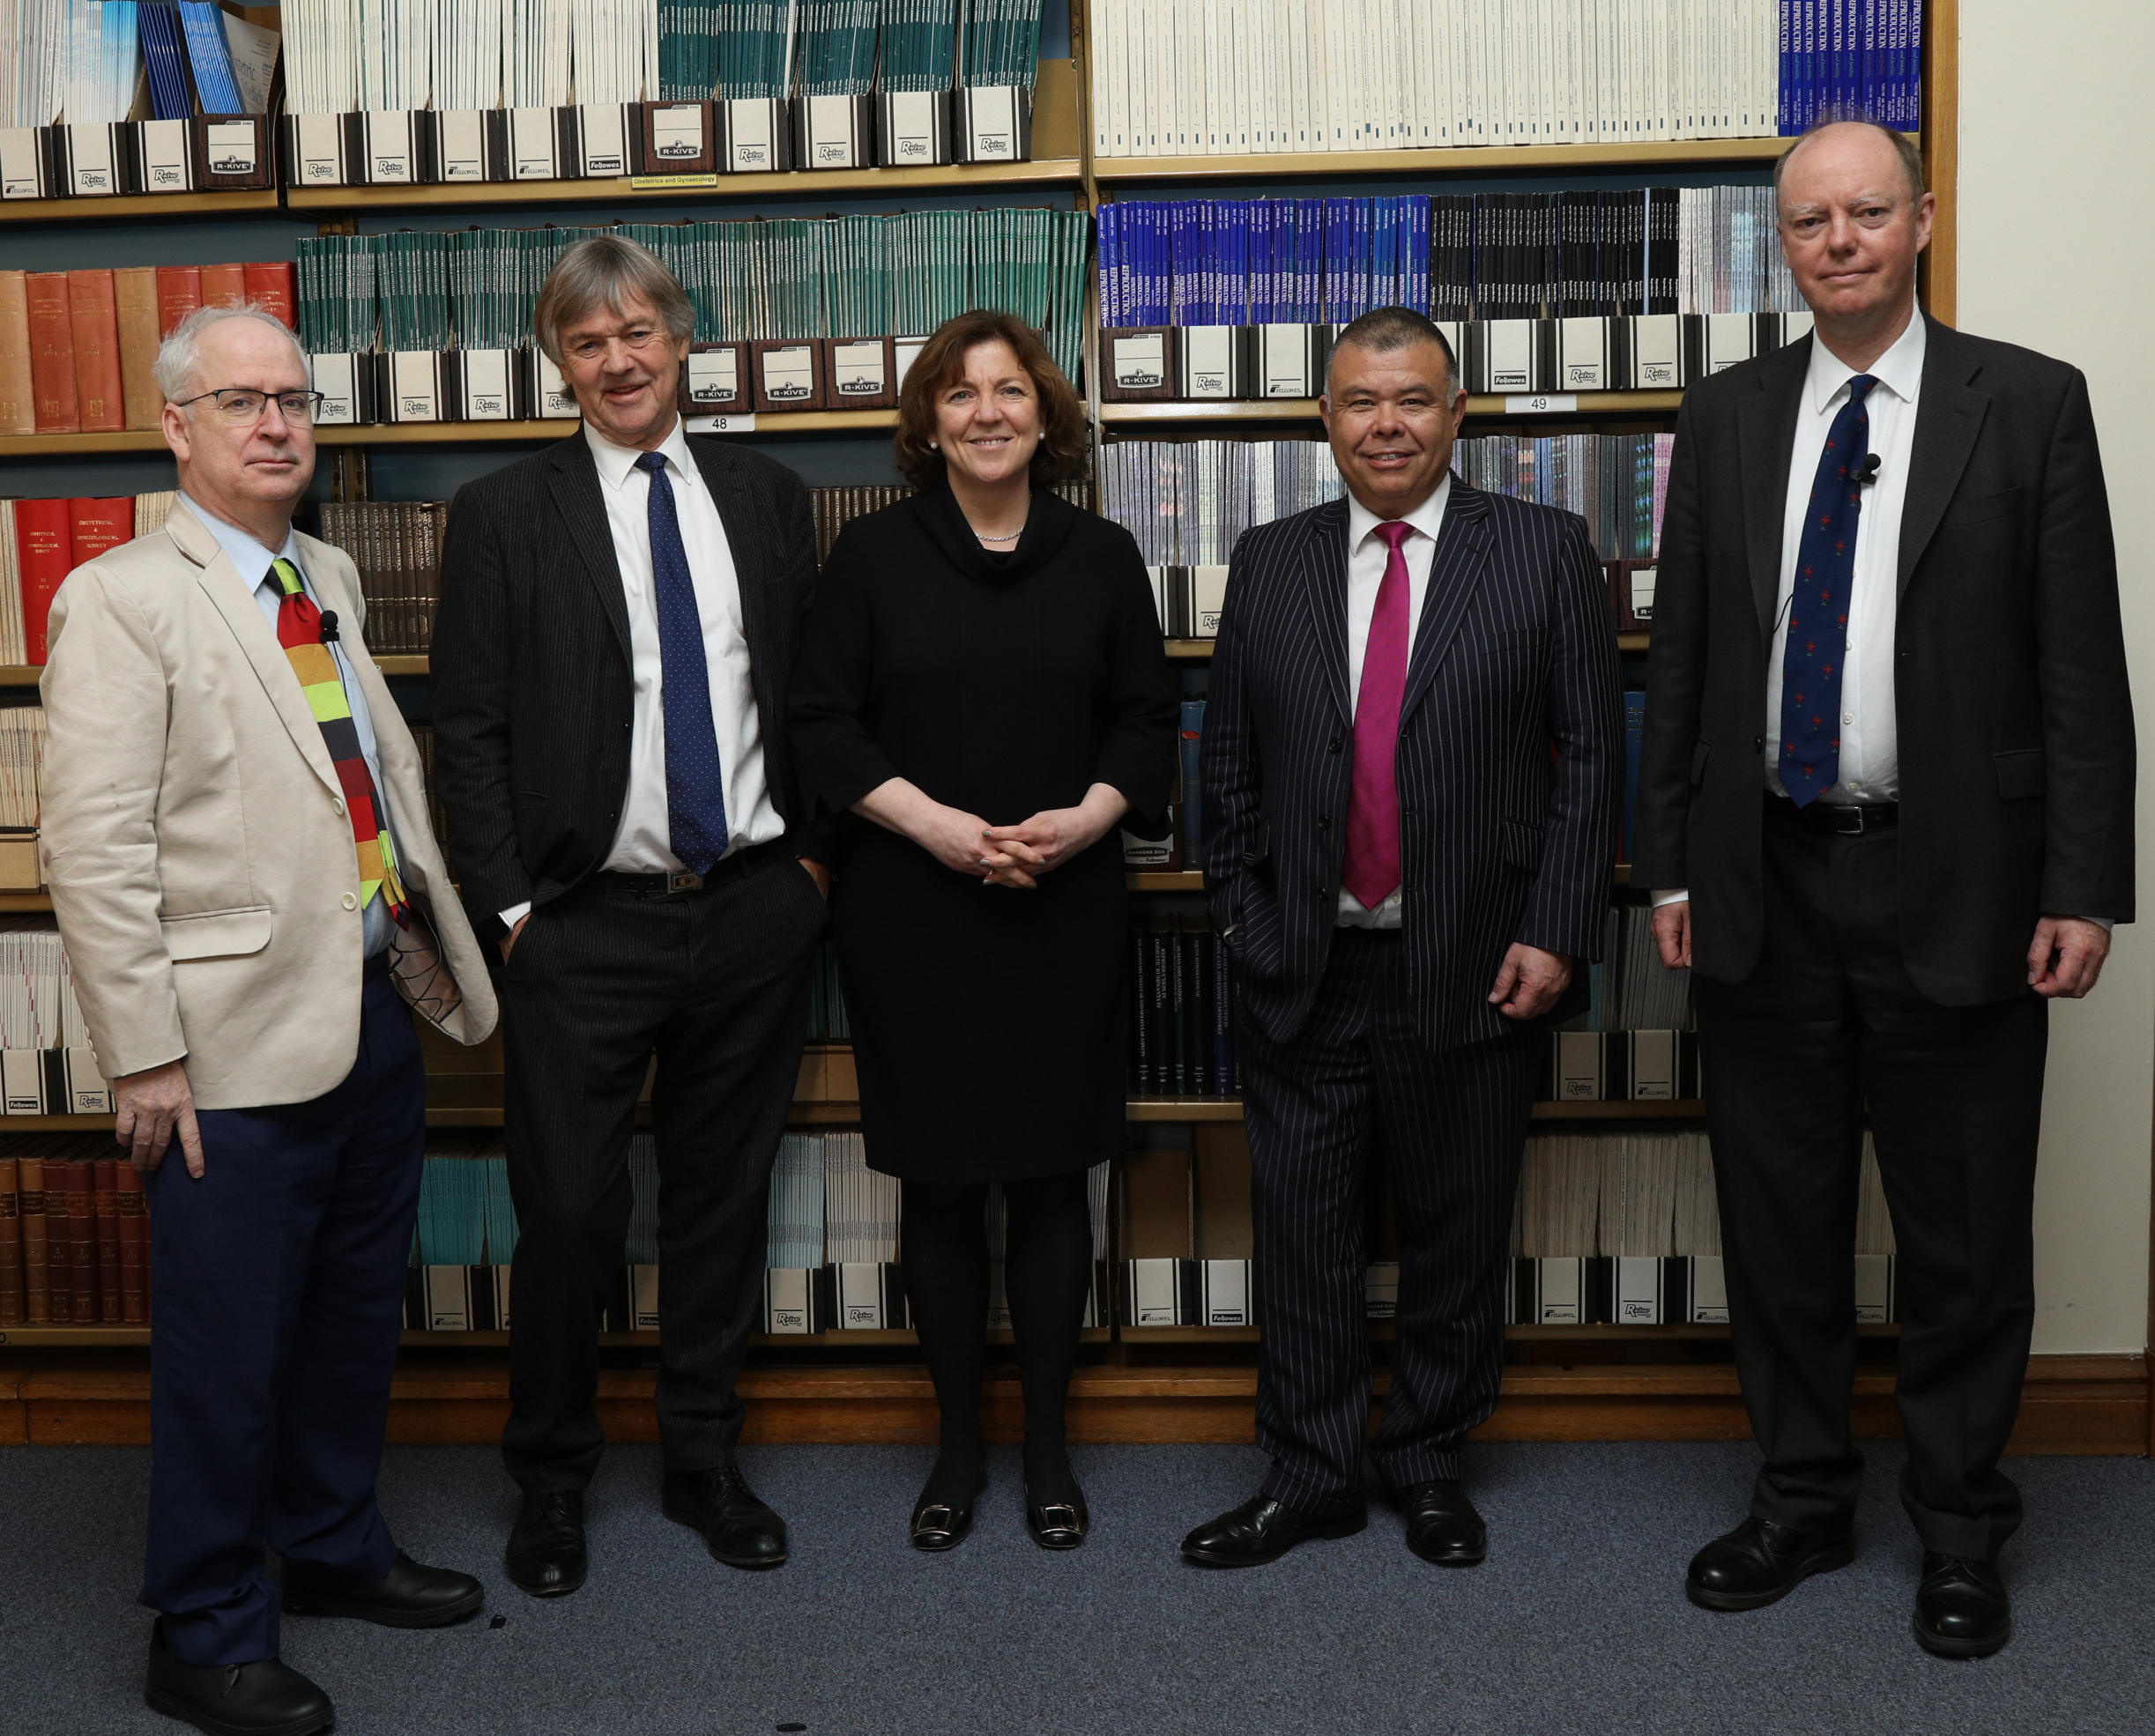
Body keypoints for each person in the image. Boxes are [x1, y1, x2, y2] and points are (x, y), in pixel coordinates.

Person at [1635, 120, 2133, 1660]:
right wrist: (1668, 859)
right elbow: (1685, 664)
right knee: (1776, 1220)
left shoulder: (2029, 405)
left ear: (1922, 219)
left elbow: (2079, 670)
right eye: (1807, 220)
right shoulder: (1722, 417)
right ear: (1779, 244)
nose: (1837, 239)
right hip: (1764, 877)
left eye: (1865, 211)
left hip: (1963, 880)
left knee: (1964, 1234)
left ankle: (1959, 1524)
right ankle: (1797, 1496)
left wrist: (2085, 884)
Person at [40, 302, 499, 1736]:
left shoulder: (325, 573)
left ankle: (330, 1545)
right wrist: (149, 1054)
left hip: (367, 1011)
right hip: (223, 1046)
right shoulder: (122, 598)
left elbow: (356, 778)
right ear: (176, 428)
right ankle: (205, 1624)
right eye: (239, 401)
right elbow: (94, 847)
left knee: (353, 1318)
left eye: (292, 397)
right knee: (230, 1343)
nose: (276, 422)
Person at [1185, 307, 1622, 1569]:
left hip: (1477, 962)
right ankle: (1312, 1469)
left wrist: (1555, 929)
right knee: (1304, 1233)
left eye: (1412, 400)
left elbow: (1590, 756)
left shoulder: (1543, 551)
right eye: (1360, 402)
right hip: (1302, 964)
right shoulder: (1268, 558)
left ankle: (1428, 1459)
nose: (1386, 423)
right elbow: (1228, 769)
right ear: (1323, 418)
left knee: (1454, 1223)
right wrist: (1243, 915)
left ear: (1456, 412)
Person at [431, 237, 829, 1596]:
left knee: (720, 1199)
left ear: (681, 340)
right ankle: (550, 1477)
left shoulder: (770, 497)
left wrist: (813, 869)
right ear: (560, 362)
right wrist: (513, 912)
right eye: (587, 341)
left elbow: (811, 695)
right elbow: (466, 729)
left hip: (753, 912)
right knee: (568, 1214)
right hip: (581, 923)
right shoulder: (500, 512)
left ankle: (703, 1457)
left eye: (639, 331)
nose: (618, 360)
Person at [789, 310, 1175, 1551]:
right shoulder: (869, 561)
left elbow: (1143, 721)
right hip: (915, 908)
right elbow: (824, 727)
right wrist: (938, 828)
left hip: (1064, 903)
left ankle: (1050, 1452)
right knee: (945, 1190)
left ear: (1047, 412)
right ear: (928, 421)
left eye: (1011, 390)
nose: (988, 412)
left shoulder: (1103, 554)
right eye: (960, 394)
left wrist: (1086, 820)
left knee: (1056, 1178)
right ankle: (957, 1449)